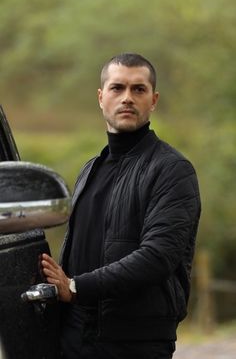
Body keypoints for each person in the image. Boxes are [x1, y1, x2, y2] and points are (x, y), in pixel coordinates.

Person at [42, 53, 201, 359]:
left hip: (135, 344)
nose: (127, 98)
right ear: (101, 98)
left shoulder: (172, 169)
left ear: (153, 100)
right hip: (73, 338)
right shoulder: (90, 169)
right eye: (117, 88)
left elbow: (158, 256)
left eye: (138, 89)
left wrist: (75, 287)